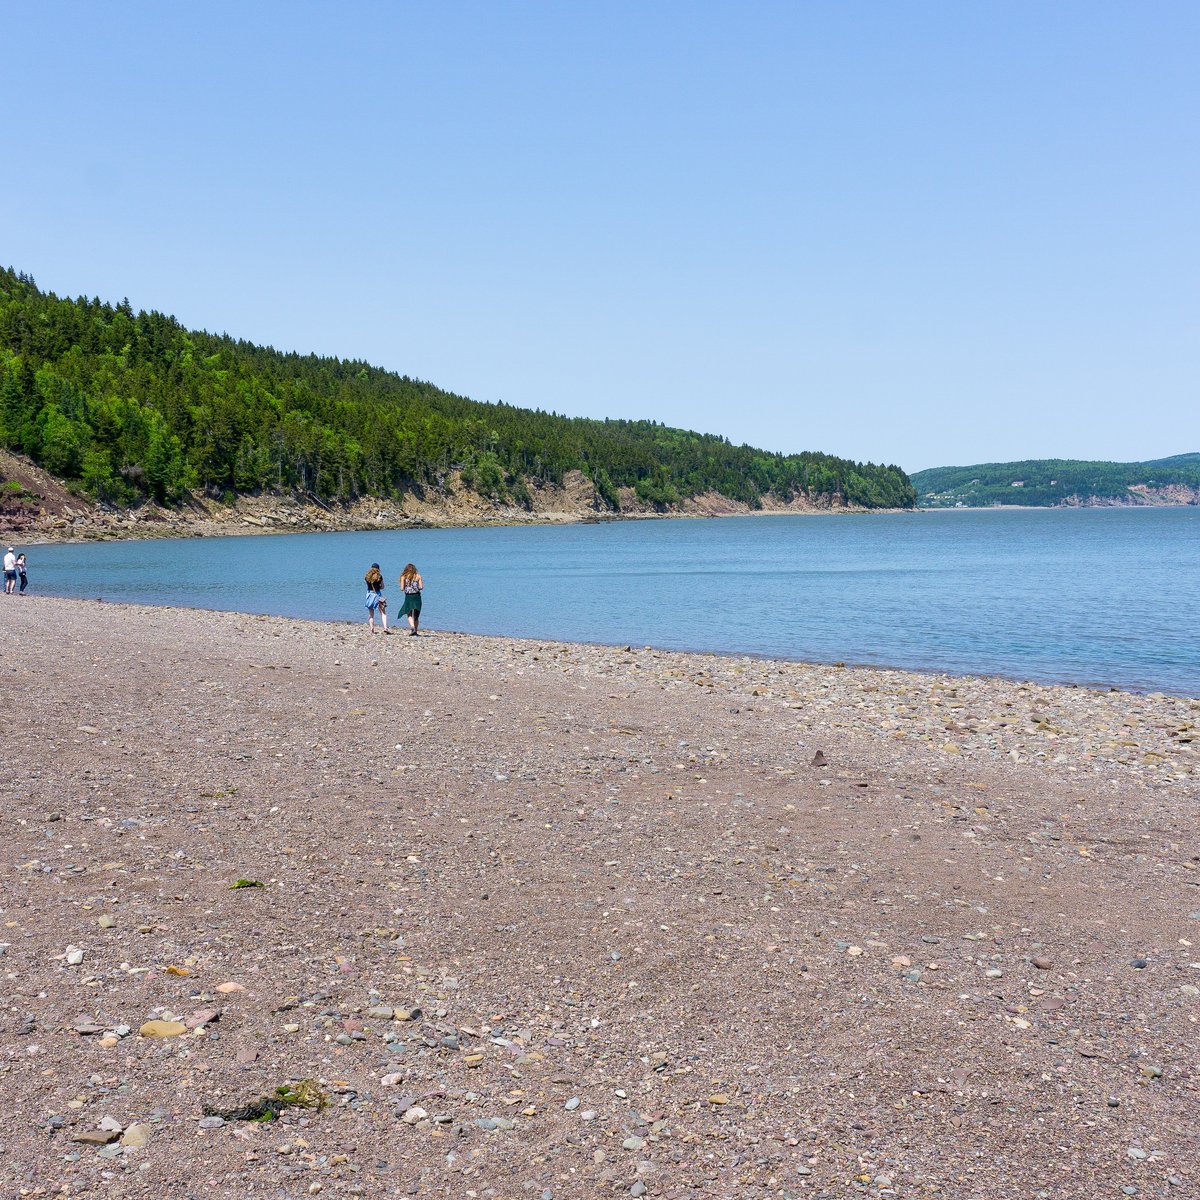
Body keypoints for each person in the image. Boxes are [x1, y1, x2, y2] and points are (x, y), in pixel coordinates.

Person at [398, 563, 423, 635]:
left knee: (408, 613)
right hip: (417, 596)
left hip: (408, 596)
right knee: (416, 615)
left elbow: (402, 588)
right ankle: (416, 631)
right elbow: (421, 587)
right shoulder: (418, 576)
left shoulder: (403, 577)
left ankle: (412, 627)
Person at [364, 562, 389, 633]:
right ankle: (385, 628)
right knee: (383, 613)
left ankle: (372, 628)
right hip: (377, 595)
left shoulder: (367, 577)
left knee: (371, 614)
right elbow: (383, 587)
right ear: (378, 569)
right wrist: (378, 587)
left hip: (369, 594)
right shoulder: (379, 577)